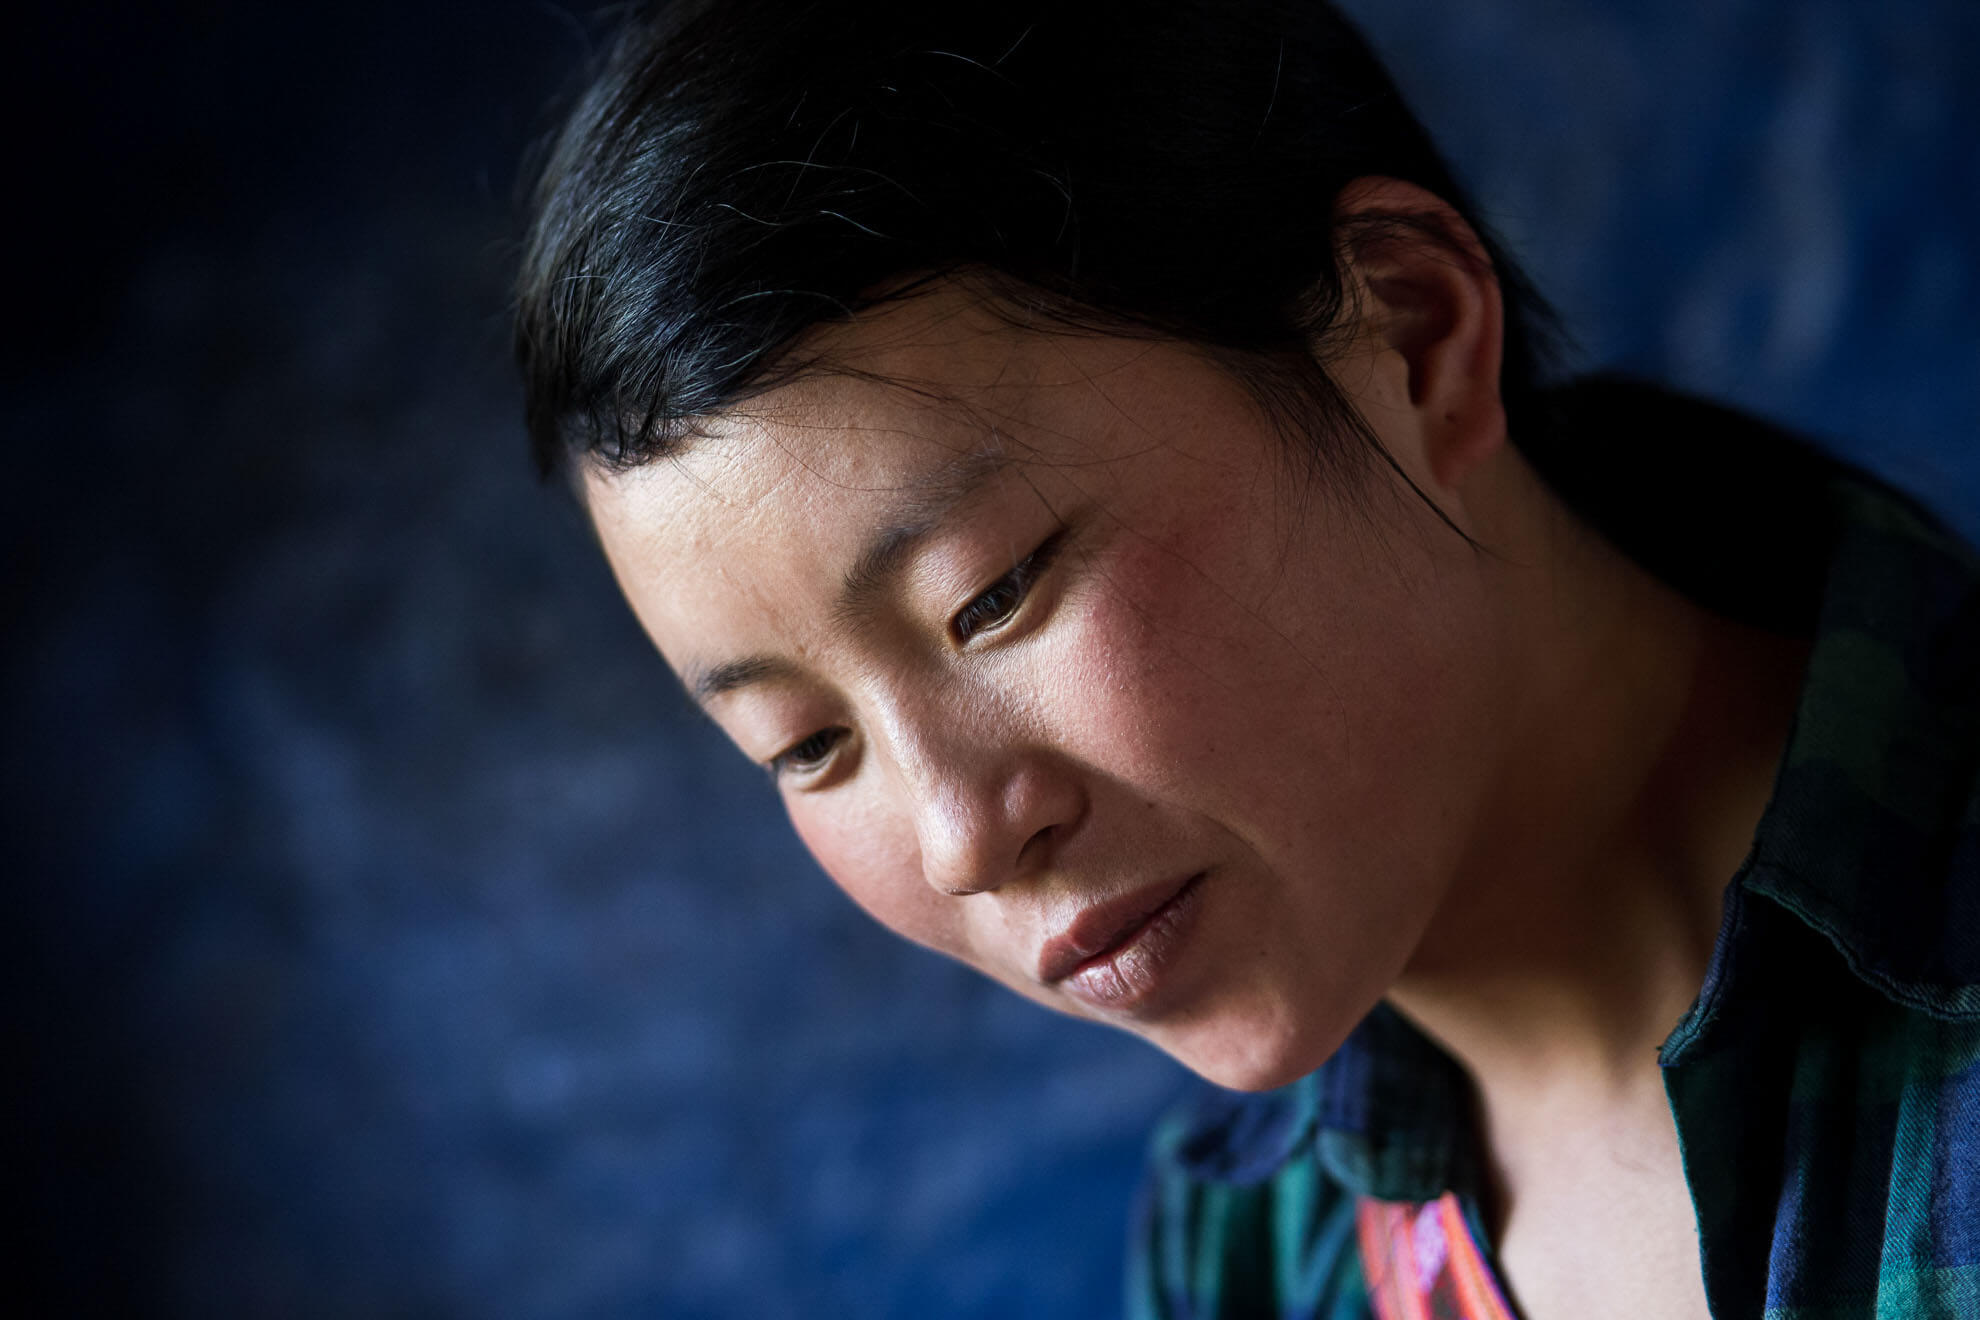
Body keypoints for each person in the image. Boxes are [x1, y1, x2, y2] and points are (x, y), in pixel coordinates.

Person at [513, 1, 1980, 1315]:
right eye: (806, 747)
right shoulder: (1246, 1247)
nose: (964, 837)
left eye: (996, 594)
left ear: (1412, 335)